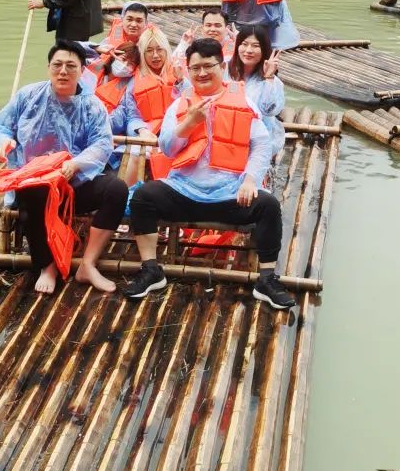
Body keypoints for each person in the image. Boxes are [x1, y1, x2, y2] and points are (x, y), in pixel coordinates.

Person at [122, 37, 296, 311]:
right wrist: (188, 123)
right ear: (188, 70)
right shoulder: (179, 105)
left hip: (229, 194)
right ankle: (151, 270)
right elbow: (166, 148)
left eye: (208, 66)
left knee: (269, 206)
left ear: (221, 65)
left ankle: (267, 280)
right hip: (185, 191)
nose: (201, 73)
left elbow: (261, 144)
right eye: (195, 68)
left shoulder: (244, 101)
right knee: (144, 196)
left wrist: (250, 179)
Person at [0, 40, 128, 294]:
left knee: (117, 190)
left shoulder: (92, 105)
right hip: (35, 180)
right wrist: (4, 142)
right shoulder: (28, 95)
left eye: (70, 66)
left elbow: (101, 144)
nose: (63, 71)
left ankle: (88, 264)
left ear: (82, 70)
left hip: (73, 183)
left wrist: (77, 164)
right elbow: (2, 128)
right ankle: (47, 265)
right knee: (31, 193)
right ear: (49, 68)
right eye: (57, 65)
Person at [117, 24, 179, 186]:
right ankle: (128, 196)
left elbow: (191, 102)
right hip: (148, 134)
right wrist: (143, 131)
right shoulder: (134, 82)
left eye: (159, 49)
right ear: (142, 54)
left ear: (166, 50)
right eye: (149, 51)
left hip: (177, 133)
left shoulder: (180, 74)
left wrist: (183, 82)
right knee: (137, 152)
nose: (155, 55)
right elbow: (132, 116)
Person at [229, 24, 286, 159]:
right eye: (244, 44)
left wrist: (269, 77)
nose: (248, 50)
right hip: (227, 133)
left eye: (255, 46)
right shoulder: (226, 70)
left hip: (256, 141)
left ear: (264, 50)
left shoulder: (272, 82)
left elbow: (269, 110)